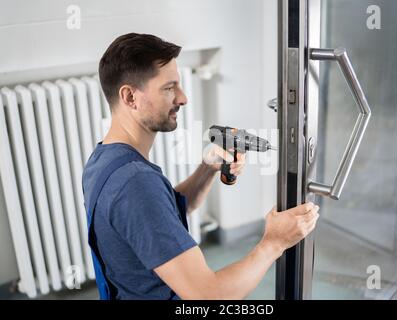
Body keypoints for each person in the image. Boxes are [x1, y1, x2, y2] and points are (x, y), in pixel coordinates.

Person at [82, 33, 320, 300]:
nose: (183, 98)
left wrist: (207, 168)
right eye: (169, 88)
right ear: (129, 97)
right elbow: (208, 296)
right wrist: (273, 243)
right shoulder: (136, 184)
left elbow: (162, 215)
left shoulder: (104, 161)